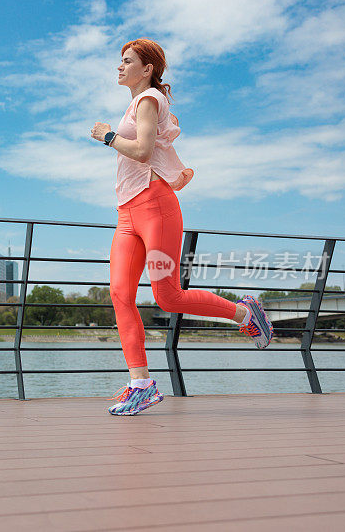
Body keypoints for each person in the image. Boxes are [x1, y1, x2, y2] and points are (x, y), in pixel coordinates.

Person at [90, 38, 274, 416]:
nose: (119, 67)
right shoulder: (136, 102)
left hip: (156, 208)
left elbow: (141, 151)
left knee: (168, 296)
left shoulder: (149, 100)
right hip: (127, 213)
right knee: (120, 294)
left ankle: (244, 313)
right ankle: (140, 383)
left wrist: (108, 136)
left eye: (127, 62)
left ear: (148, 70)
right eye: (119, 62)